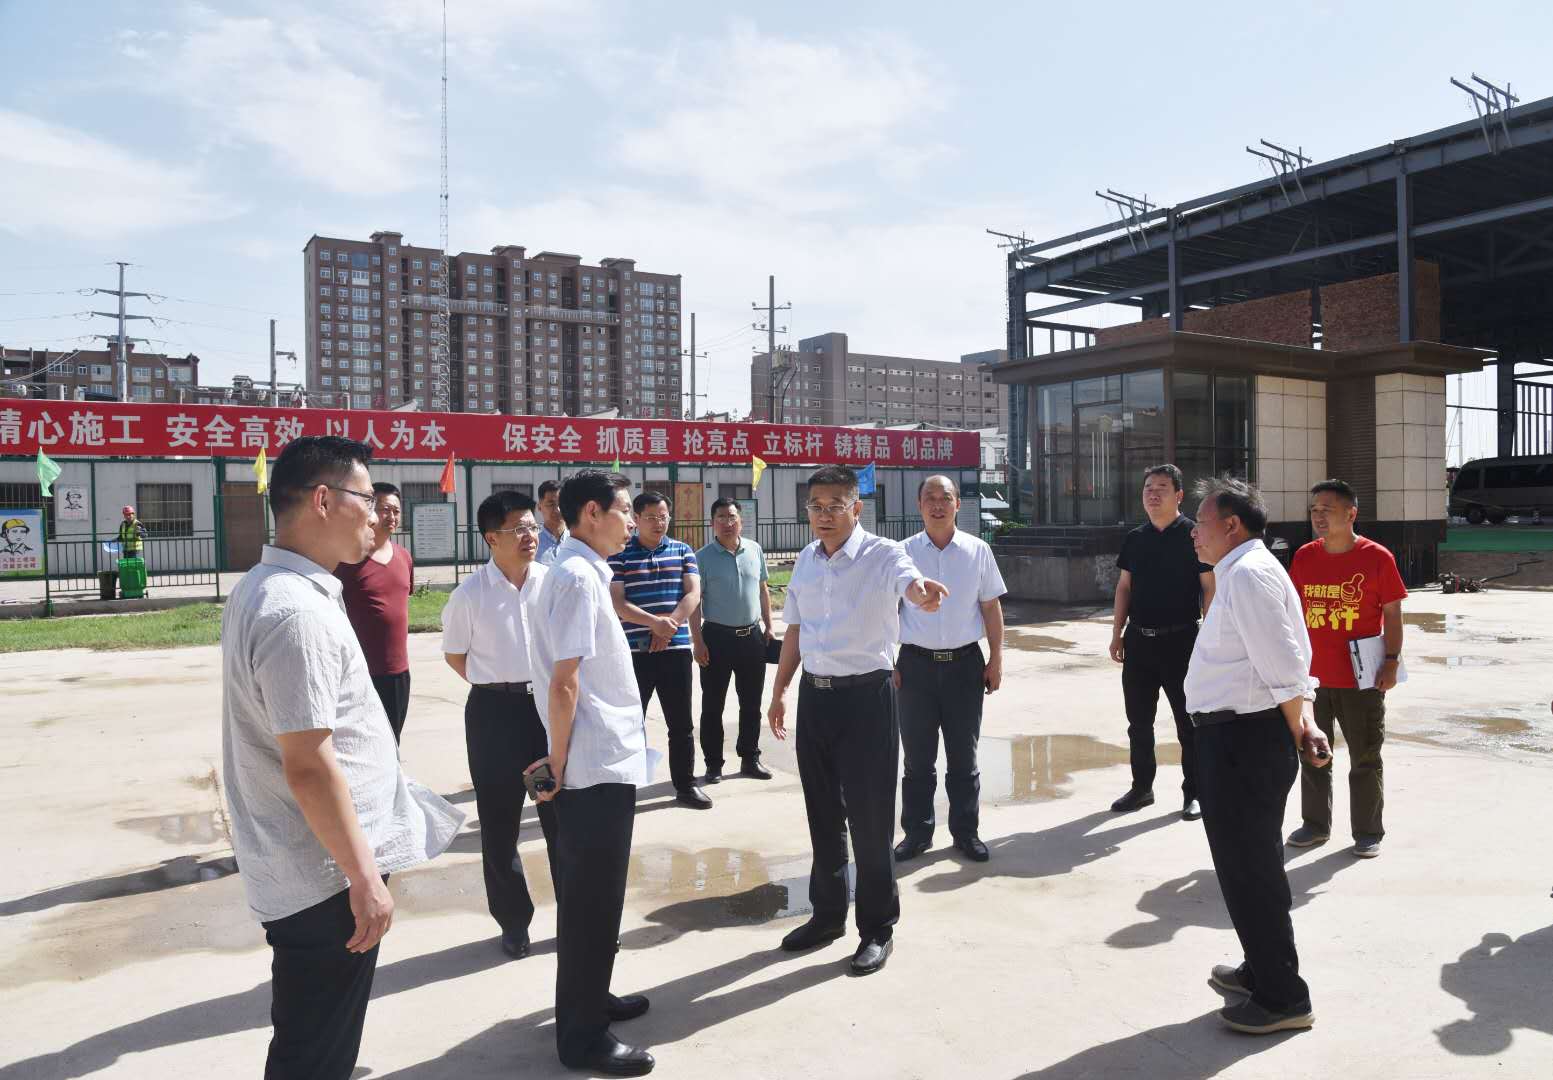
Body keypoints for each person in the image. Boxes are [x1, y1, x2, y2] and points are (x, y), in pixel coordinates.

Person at [220, 435, 462, 1079]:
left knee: (314, 1035)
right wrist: (363, 878)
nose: (378, 514)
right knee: (313, 1051)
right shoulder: (294, 612)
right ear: (324, 501)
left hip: (312, 865)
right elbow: (308, 762)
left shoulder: (267, 587)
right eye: (367, 497)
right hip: (324, 879)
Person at [767, 464, 948, 976]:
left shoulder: (883, 554)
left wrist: (921, 593)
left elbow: (910, 583)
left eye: (835, 506)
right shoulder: (806, 560)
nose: (823, 516)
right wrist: (780, 690)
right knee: (822, 815)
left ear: (857, 508)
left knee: (870, 822)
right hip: (816, 698)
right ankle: (827, 916)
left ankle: (877, 928)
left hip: (867, 698)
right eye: (815, 506)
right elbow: (795, 631)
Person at [1184, 475, 1331, 1035]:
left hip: (1244, 741)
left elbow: (1284, 663)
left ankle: (1283, 998)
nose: (1193, 532)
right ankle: (1263, 969)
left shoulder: (1247, 575)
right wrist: (1303, 719)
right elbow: (1287, 657)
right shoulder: (1245, 570)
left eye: (1200, 522)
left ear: (1231, 525)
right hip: (1237, 736)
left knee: (1251, 871)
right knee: (1249, 866)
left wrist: (1302, 728)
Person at [527, 470, 655, 1077]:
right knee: (591, 906)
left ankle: (594, 996)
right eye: (624, 510)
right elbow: (565, 680)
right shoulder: (577, 578)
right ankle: (582, 1038)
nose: (632, 521)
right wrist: (558, 760)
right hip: (589, 767)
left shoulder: (583, 572)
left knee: (599, 899)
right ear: (592, 514)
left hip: (600, 760)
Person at [441, 490, 557, 959]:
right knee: (499, 823)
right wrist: (497, 685)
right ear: (492, 538)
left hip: (546, 712)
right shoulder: (470, 595)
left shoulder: (552, 583)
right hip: (494, 715)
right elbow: (455, 656)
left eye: (532, 526)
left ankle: (576, 914)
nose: (530, 536)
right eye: (519, 528)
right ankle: (513, 921)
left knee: (560, 817)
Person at [1288, 479, 1406, 859]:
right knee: (1312, 753)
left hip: (1362, 679)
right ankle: (1315, 825)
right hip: (1312, 680)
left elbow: (1393, 614)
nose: (1318, 516)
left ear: (1351, 513)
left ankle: (1368, 831)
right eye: (1314, 510)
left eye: (1327, 509)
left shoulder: (1377, 557)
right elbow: (1292, 614)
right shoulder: (1304, 557)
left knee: (1365, 756)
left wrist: (1391, 661)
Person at [893, 475, 1007, 864]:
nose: (937, 505)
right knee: (917, 759)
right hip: (914, 667)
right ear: (919, 505)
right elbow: (885, 610)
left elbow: (990, 606)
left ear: (958, 504)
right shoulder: (902, 554)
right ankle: (917, 833)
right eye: (930, 498)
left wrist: (996, 658)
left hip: (964, 667)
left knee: (964, 756)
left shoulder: (978, 551)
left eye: (945, 498)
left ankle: (966, 832)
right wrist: (888, 662)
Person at [1108, 464, 1216, 820]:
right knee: (1138, 723)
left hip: (1182, 641)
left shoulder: (1193, 535)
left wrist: (1210, 638)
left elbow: (1209, 588)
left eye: (1162, 488)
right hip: (1139, 642)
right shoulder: (1135, 538)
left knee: (1189, 723)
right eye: (1148, 488)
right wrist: (1117, 632)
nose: (1153, 494)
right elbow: (1124, 587)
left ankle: (1194, 792)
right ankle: (1142, 788)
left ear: (1179, 495)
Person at [609, 492, 709, 809]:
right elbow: (618, 602)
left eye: (663, 516)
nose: (658, 522)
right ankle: (624, 790)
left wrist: (670, 626)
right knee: (629, 724)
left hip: (676, 651)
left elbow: (693, 594)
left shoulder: (682, 550)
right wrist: (655, 624)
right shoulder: (620, 554)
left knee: (681, 724)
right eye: (651, 517)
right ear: (636, 519)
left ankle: (686, 785)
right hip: (634, 654)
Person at [688, 498, 774, 783]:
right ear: (712, 523)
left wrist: (769, 626)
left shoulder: (755, 549)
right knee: (713, 705)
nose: (728, 522)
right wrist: (698, 641)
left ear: (741, 521)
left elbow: (762, 589)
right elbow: (694, 602)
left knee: (751, 703)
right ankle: (713, 764)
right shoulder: (702, 557)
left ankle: (750, 758)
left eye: (732, 516)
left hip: (752, 637)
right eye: (721, 517)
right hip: (716, 639)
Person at [335, 482, 416, 743]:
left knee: (393, 742)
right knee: (362, 744)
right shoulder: (347, 560)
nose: (391, 516)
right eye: (384, 509)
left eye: (396, 511)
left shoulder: (404, 557)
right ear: (369, 510)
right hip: (359, 673)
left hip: (399, 673)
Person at [537, 479, 568, 567]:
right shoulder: (532, 543)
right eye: (551, 504)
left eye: (561, 504)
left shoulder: (577, 541)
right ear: (539, 507)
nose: (558, 510)